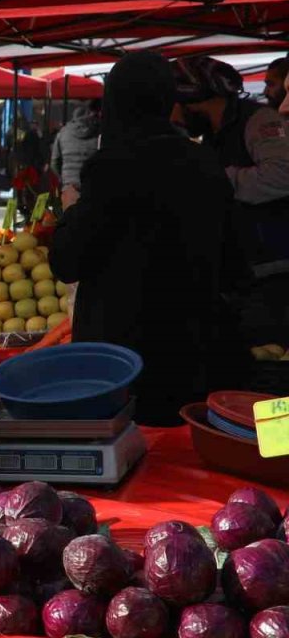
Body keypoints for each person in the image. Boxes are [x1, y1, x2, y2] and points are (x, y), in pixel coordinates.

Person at [50, 52, 245, 427]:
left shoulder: (110, 169)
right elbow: (235, 265)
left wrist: (72, 208)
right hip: (192, 360)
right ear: (166, 100)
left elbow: (67, 260)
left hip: (121, 370)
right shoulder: (204, 162)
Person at [173, 55, 289, 341]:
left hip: (273, 272)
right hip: (241, 273)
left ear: (196, 100)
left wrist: (214, 179)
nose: (177, 117)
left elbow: (281, 176)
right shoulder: (213, 133)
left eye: (180, 107)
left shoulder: (259, 120)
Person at [51, 100, 101, 190]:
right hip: (92, 186)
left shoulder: (63, 133)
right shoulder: (98, 133)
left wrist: (64, 179)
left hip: (69, 187)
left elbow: (54, 162)